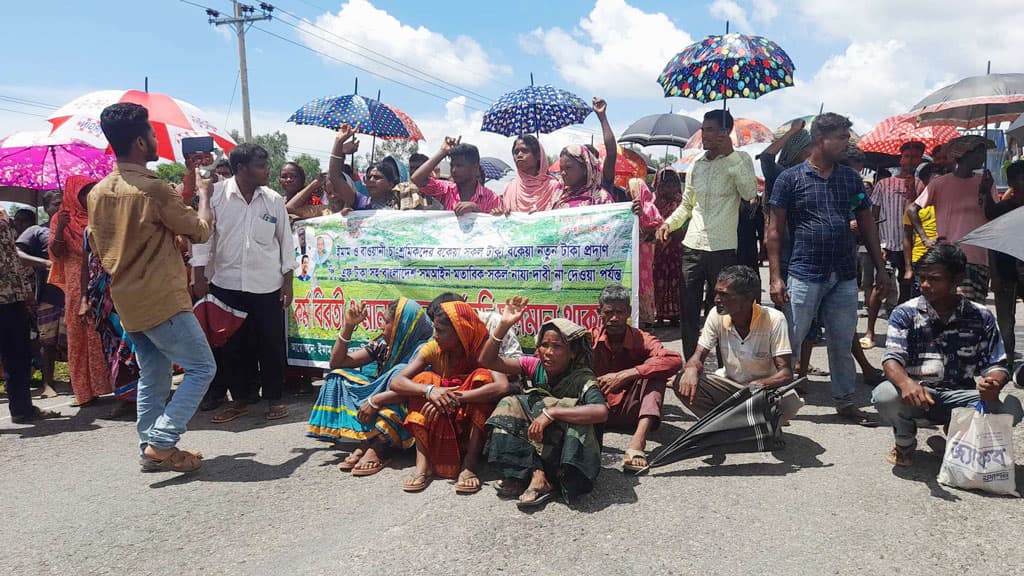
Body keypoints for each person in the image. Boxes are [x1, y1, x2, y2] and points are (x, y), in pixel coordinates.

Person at [89, 102, 215, 472]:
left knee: (154, 374)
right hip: (161, 298)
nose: (156, 138)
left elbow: (100, 246)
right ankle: (162, 440)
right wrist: (205, 196)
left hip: (126, 298)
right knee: (202, 368)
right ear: (141, 142)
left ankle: (150, 448)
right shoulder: (153, 189)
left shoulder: (98, 193)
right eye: (152, 132)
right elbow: (199, 230)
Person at [767, 112, 890, 425]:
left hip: (844, 274)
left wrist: (881, 269)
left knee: (841, 339)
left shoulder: (850, 179)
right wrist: (776, 276)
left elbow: (867, 223)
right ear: (820, 140)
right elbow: (774, 231)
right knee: (790, 341)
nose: (846, 143)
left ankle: (845, 400)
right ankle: (777, 403)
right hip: (804, 272)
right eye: (841, 138)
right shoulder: (789, 179)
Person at [871, 243, 1023, 466]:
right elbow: (891, 358)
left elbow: (997, 363)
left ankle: (957, 436)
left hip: (962, 396)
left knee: (1011, 408)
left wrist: (993, 384)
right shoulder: (905, 313)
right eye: (922, 278)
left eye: (934, 279)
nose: (924, 285)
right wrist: (906, 384)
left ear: (957, 279)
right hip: (919, 395)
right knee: (885, 395)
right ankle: (904, 440)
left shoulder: (980, 316)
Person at [191, 142, 295, 424]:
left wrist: (288, 284)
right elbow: (205, 238)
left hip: (267, 285)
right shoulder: (216, 196)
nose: (267, 171)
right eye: (261, 166)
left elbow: (286, 243)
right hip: (226, 284)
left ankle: (274, 399)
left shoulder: (273, 200)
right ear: (240, 169)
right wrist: (198, 276)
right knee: (233, 345)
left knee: (271, 343)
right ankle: (240, 399)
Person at [480, 300, 608, 509]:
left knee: (562, 407)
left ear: (572, 352)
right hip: (541, 437)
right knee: (511, 403)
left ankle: (547, 478)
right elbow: (487, 361)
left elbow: (601, 411)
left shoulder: (582, 377)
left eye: (557, 346)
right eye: (544, 345)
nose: (548, 352)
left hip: (567, 451)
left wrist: (553, 412)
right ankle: (527, 474)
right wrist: (503, 325)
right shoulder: (534, 366)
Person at [656, 109, 758, 358]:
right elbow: (687, 204)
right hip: (693, 246)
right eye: (703, 129)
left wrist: (730, 156)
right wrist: (669, 223)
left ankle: (725, 364)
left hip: (723, 248)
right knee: (688, 310)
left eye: (711, 129)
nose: (704, 134)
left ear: (726, 131)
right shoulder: (696, 165)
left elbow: (749, 194)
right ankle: (692, 362)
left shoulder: (741, 160)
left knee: (721, 310)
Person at [389, 301, 511, 493]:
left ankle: (469, 466)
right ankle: (422, 465)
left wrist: (456, 396)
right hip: (440, 413)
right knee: (423, 379)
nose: (435, 336)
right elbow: (397, 382)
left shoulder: (481, 348)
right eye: (434, 330)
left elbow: (502, 385)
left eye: (441, 331)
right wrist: (430, 391)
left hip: (468, 418)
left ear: (460, 332)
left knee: (482, 378)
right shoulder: (432, 349)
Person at [307, 298, 433, 476]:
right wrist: (348, 326)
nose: (382, 326)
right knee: (336, 377)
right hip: (380, 398)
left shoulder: (424, 350)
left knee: (397, 374)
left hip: (402, 402)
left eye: (386, 322)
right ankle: (366, 439)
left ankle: (379, 447)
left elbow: (415, 389)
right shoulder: (383, 346)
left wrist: (376, 399)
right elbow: (337, 362)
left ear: (401, 325)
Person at [676, 266, 803, 422]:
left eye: (724, 295)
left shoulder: (775, 319)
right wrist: (691, 368)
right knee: (682, 382)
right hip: (731, 388)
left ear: (748, 298)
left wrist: (760, 384)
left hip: (762, 393)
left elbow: (786, 374)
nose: (716, 299)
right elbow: (698, 356)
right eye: (716, 293)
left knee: (779, 404)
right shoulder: (716, 315)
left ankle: (733, 424)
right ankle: (728, 425)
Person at [590, 284, 681, 470]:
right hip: (596, 408)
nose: (614, 318)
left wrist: (627, 374)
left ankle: (638, 442)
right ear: (599, 313)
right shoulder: (588, 338)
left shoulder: (641, 337)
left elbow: (674, 360)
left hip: (631, 410)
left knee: (654, 373)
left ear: (629, 312)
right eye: (609, 312)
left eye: (620, 312)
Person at [907, 135, 994, 304]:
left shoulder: (986, 182)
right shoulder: (940, 184)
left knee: (974, 310)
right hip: (950, 256)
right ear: (963, 155)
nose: (982, 158)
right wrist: (925, 238)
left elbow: (992, 215)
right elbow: (912, 210)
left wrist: (986, 192)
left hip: (980, 256)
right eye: (978, 152)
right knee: (953, 307)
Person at [48, 176, 111, 407]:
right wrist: (61, 228)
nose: (89, 197)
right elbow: (55, 253)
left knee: (105, 329)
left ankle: (110, 384)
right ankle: (84, 391)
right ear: (74, 195)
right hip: (76, 279)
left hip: (102, 273)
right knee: (79, 333)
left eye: (92, 191)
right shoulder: (60, 218)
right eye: (84, 193)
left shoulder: (101, 213)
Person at [860, 141, 925, 349]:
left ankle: (901, 330)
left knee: (907, 291)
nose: (910, 161)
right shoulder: (884, 184)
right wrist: (876, 243)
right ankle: (870, 331)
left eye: (915, 157)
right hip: (887, 243)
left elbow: (921, 215)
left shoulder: (922, 186)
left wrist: (912, 192)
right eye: (907, 156)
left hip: (911, 247)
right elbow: (874, 215)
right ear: (901, 158)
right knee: (881, 288)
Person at [0, 206, 61, 423]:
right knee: (15, 354)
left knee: (18, 355)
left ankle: (22, 409)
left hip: (12, 296)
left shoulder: (3, 218)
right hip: (6, 297)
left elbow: (12, 258)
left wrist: (26, 292)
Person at [80, 222, 140, 419]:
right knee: (112, 349)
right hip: (102, 300)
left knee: (132, 344)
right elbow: (85, 265)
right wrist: (84, 299)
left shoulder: (126, 222)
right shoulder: (89, 230)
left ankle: (144, 397)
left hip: (128, 292)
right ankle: (126, 398)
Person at [16, 190, 63, 399]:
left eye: (63, 203)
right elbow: (16, 253)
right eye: (55, 204)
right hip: (49, 294)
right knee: (47, 341)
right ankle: (48, 383)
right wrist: (42, 262)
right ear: (46, 208)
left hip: (75, 292)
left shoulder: (76, 227)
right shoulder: (37, 231)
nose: (60, 207)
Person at [980, 160, 1024, 367]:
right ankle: (1007, 361)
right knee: (1006, 323)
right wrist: (994, 275)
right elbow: (992, 240)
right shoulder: (1003, 208)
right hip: (1005, 271)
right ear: (1011, 181)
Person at [551, 98, 617, 209]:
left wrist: (602, 118)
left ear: (586, 168)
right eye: (561, 168)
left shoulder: (600, 194)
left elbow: (611, 154)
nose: (563, 173)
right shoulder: (559, 195)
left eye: (568, 167)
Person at [410, 137, 502, 215]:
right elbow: (417, 179)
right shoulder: (446, 190)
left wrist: (477, 211)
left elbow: (499, 228)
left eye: (459, 166)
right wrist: (442, 152)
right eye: (452, 165)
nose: (454, 170)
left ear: (475, 167)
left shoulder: (492, 199)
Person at [900, 162, 941, 300]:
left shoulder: (947, 204)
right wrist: (908, 268)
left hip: (944, 258)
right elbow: (907, 237)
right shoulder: (914, 207)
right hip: (920, 259)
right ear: (925, 183)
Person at [628, 178, 664, 327]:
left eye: (630, 189)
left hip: (644, 252)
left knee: (644, 282)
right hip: (635, 251)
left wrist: (641, 218)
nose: (627, 192)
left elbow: (656, 225)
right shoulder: (630, 206)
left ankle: (646, 317)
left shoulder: (649, 207)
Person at [652, 168, 685, 326]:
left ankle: (675, 315)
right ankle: (659, 314)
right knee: (658, 280)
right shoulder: (653, 202)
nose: (669, 187)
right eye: (665, 183)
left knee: (675, 280)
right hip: (658, 250)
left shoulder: (682, 202)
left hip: (676, 249)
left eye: (673, 183)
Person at [498, 134, 560, 213]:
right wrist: (500, 214)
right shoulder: (510, 188)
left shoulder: (552, 187)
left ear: (538, 156)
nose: (519, 155)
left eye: (525, 151)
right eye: (516, 152)